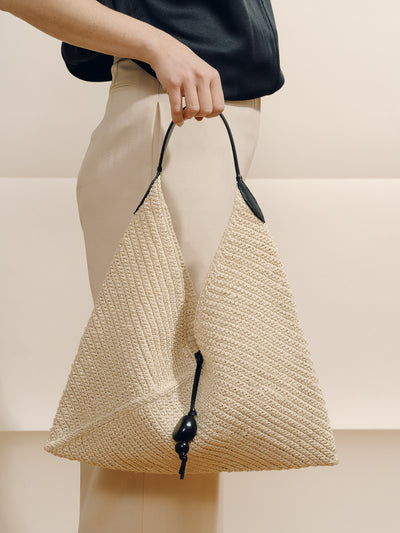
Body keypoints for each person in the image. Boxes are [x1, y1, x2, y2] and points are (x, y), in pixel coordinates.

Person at [2, 1, 285, 531]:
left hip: (197, 116)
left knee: (160, 403)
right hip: (174, 116)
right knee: (165, 404)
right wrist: (156, 43)